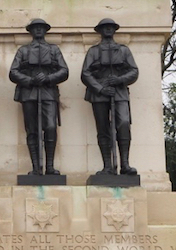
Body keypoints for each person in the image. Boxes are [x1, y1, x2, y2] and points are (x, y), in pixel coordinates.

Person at [9, 18, 69, 175]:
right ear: (30, 31)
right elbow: (13, 72)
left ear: (45, 30)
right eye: (35, 28)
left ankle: (49, 166)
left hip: (48, 92)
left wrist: (48, 78)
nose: (38, 30)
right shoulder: (23, 50)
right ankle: (36, 166)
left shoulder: (53, 49)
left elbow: (64, 70)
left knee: (50, 127)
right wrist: (30, 80)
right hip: (29, 93)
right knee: (32, 130)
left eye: (41, 28)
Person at [81, 18, 139, 175]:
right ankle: (108, 165)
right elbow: (85, 73)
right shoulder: (93, 51)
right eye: (104, 27)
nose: (107, 30)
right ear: (99, 31)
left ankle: (125, 164)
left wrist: (120, 80)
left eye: (110, 27)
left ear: (114, 30)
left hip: (119, 92)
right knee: (103, 129)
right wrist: (100, 88)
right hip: (99, 94)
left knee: (124, 124)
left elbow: (134, 71)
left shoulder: (123, 50)